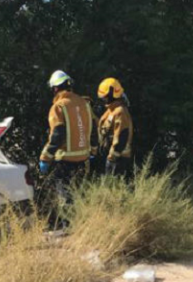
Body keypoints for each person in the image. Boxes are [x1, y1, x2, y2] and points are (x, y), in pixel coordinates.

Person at [40, 70, 95, 202]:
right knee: (79, 198)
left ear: (55, 88)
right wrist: (93, 150)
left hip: (65, 162)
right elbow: (93, 129)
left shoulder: (58, 106)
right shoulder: (84, 103)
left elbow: (57, 134)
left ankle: (66, 223)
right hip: (83, 160)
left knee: (65, 199)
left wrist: (45, 158)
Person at [97, 77, 133, 176]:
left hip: (118, 159)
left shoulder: (120, 111)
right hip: (113, 156)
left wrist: (111, 159)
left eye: (104, 97)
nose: (103, 100)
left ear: (110, 94)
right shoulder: (112, 110)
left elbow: (122, 136)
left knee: (113, 187)